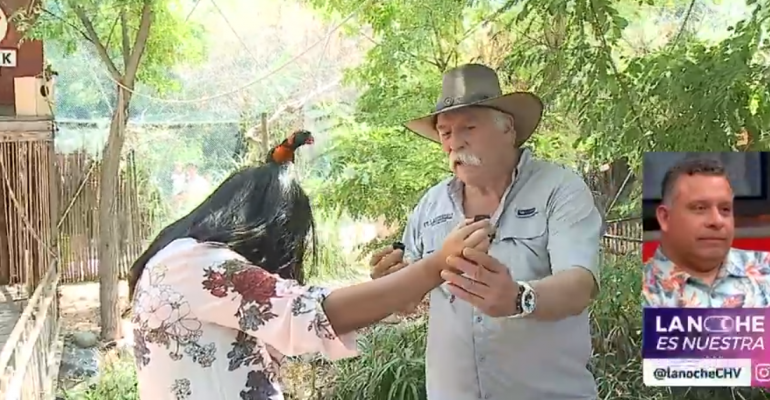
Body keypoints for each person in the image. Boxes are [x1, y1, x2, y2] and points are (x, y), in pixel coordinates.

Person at [127, 161, 494, 400]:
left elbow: (297, 314)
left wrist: (396, 294)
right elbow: (313, 313)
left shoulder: (177, 261)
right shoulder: (198, 264)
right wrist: (436, 266)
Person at [371, 63, 603, 400]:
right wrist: (393, 281)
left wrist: (518, 298)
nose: (454, 142)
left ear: (507, 127)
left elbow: (580, 285)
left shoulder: (559, 189)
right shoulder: (431, 206)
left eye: (469, 126)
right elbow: (409, 302)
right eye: (445, 132)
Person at [642, 157, 770, 307]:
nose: (717, 221)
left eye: (725, 209)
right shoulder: (638, 293)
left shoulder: (765, 269)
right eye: (700, 208)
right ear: (665, 218)